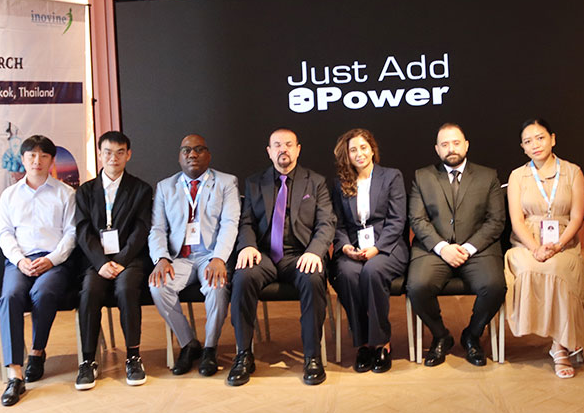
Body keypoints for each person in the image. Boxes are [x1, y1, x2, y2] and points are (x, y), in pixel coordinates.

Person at [227, 128, 336, 386]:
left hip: (300, 255)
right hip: (263, 255)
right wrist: (247, 246)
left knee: (312, 279)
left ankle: (312, 357)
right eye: (277, 145)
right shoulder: (255, 182)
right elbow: (246, 222)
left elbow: (326, 223)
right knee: (242, 277)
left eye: (288, 144)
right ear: (269, 151)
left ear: (298, 149)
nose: (283, 149)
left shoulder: (316, 182)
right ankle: (244, 355)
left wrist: (314, 251)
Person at [407, 123, 507, 367]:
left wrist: (469, 248)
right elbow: (417, 219)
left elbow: (496, 221)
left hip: (477, 249)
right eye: (444, 144)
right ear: (437, 149)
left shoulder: (488, 176)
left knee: (494, 286)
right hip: (435, 249)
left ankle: (472, 335)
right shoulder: (422, 176)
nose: (451, 149)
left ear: (466, 145)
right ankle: (441, 336)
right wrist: (443, 248)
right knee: (417, 287)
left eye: (455, 143)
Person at [149, 134, 240, 376]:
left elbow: (230, 223)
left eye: (199, 149)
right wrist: (161, 258)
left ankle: (210, 347)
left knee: (217, 286)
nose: (192, 154)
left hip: (211, 255)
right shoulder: (165, 187)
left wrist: (219, 258)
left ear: (208, 155)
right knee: (158, 286)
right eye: (186, 150)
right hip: (179, 258)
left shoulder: (226, 182)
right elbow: (157, 228)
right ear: (179, 157)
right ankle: (189, 343)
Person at [0, 135, 76, 406]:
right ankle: (15, 375)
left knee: (43, 294)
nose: (37, 161)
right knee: (10, 297)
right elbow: (4, 233)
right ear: (23, 159)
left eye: (43, 156)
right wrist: (19, 260)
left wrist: (51, 260)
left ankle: (37, 351)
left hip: (54, 261)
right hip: (19, 260)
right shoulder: (9, 195)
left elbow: (71, 234)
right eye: (31, 155)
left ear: (52, 161)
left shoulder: (65, 193)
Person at [505, 118, 584, 378]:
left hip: (564, 243)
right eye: (528, 141)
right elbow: (517, 220)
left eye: (540, 138)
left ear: (553, 138)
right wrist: (535, 248)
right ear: (522, 147)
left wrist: (558, 245)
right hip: (526, 243)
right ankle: (551, 333)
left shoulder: (573, 172)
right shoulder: (517, 176)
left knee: (557, 270)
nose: (535, 145)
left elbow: (577, 217)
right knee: (528, 267)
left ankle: (559, 345)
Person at [75, 130, 154, 390]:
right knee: (89, 291)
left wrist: (120, 260)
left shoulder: (141, 189)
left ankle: (133, 356)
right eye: (108, 152)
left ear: (128, 155)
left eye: (120, 152)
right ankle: (88, 361)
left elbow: (141, 229)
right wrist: (101, 263)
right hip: (96, 261)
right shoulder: (85, 191)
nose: (113, 158)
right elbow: (83, 231)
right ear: (99, 154)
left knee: (126, 289)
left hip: (130, 259)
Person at [329, 129, 408, 374]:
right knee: (347, 274)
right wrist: (345, 246)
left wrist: (377, 248)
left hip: (388, 246)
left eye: (363, 147)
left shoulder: (391, 176)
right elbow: (338, 223)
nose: (359, 154)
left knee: (373, 271)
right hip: (353, 247)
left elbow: (397, 220)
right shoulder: (340, 183)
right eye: (353, 150)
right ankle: (363, 343)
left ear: (372, 149)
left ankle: (381, 342)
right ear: (347, 155)